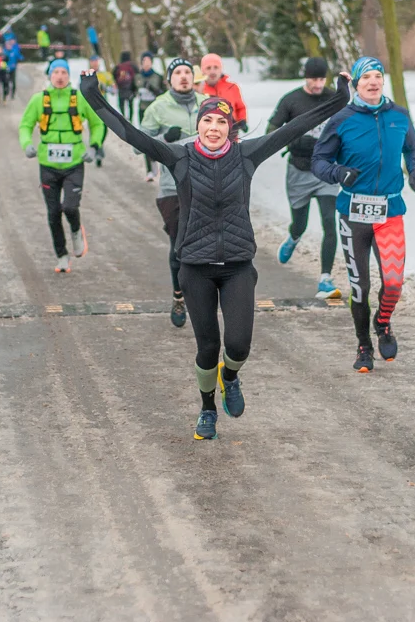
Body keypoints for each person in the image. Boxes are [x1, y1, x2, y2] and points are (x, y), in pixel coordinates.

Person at [82, 69, 350, 441]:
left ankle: (231, 376)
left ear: (230, 127)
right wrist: (92, 94)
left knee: (238, 345)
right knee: (207, 347)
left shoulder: (247, 154)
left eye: (221, 122)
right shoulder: (179, 157)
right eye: (207, 121)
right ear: (198, 125)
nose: (213, 128)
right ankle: (207, 408)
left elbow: (295, 127)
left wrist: (340, 97)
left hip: (237, 265)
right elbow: (130, 133)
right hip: (195, 268)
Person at [311, 56, 415, 374]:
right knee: (360, 287)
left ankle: (382, 322)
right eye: (366, 77)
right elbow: (319, 160)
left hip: (390, 212)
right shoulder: (342, 119)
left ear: (382, 81)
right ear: (356, 83)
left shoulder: (399, 115)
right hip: (354, 214)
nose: (373, 82)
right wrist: (338, 173)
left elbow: (412, 147)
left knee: (393, 283)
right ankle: (364, 346)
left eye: (377, 76)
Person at [19, 57, 107, 273]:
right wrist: (27, 144)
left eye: (64, 73)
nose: (60, 77)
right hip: (47, 164)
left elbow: (98, 123)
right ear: (50, 75)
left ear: (69, 76)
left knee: (69, 206)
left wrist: (94, 146)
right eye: (56, 72)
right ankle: (62, 255)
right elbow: (25, 125)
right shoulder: (39, 100)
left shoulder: (79, 99)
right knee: (53, 212)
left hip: (74, 162)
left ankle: (76, 231)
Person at [138, 57, 206, 328]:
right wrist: (165, 139)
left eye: (188, 72)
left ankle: (202, 294)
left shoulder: (207, 104)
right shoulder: (158, 107)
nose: (184, 76)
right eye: (178, 72)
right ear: (169, 79)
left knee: (205, 243)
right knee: (179, 244)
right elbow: (138, 145)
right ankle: (179, 295)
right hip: (171, 187)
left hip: (206, 185)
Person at [269, 56, 344, 298]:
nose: (318, 84)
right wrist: (294, 140)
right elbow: (272, 129)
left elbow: (348, 126)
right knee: (300, 223)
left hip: (326, 170)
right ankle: (293, 237)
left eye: (322, 79)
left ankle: (325, 278)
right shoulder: (291, 100)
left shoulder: (334, 98)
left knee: (329, 222)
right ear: (305, 77)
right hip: (299, 170)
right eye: (314, 79)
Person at [135, 52, 167, 182]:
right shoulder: (137, 77)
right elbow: (132, 89)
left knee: (158, 139)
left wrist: (153, 89)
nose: (146, 63)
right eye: (144, 61)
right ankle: (150, 170)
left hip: (156, 112)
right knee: (145, 139)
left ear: (152, 62)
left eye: (148, 61)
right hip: (143, 111)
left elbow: (164, 94)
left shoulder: (158, 77)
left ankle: (161, 166)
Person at [199, 53, 249, 134]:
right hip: (208, 133)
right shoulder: (199, 89)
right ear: (203, 71)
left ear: (221, 69)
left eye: (216, 67)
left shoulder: (232, 87)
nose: (212, 71)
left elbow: (240, 107)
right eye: (208, 68)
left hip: (231, 132)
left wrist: (242, 120)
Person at [87, 53, 115, 167]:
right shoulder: (86, 75)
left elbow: (114, 90)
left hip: (103, 107)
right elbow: (81, 89)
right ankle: (98, 151)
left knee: (104, 130)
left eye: (96, 61)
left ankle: (99, 146)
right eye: (92, 61)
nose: (94, 63)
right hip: (91, 107)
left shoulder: (105, 75)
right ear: (90, 62)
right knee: (94, 129)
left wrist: (106, 88)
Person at [114, 51, 138, 120]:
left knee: (121, 104)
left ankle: (123, 117)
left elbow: (114, 75)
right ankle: (130, 119)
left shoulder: (118, 67)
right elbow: (137, 76)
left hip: (121, 89)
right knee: (131, 105)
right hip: (131, 89)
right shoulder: (133, 66)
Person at [2, 30, 24, 98]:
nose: (8, 46)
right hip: (6, 69)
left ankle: (13, 94)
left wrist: (21, 58)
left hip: (13, 68)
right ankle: (6, 92)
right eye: (7, 45)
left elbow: (20, 57)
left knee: (13, 82)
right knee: (6, 81)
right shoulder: (4, 52)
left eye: (9, 45)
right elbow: (0, 60)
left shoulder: (14, 51)